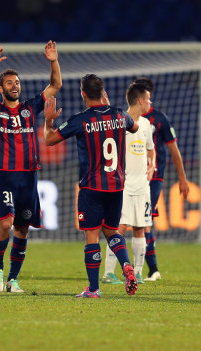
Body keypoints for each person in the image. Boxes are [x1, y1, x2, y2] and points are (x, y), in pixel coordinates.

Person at [0, 41, 62, 293]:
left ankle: (13, 280)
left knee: (22, 228)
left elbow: (55, 85)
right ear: (1, 88)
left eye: (17, 83)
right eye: (10, 83)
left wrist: (53, 61)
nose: (15, 86)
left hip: (29, 176)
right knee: (5, 224)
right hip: (3, 174)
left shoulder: (30, 108)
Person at [44, 74, 139, 298]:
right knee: (112, 231)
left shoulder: (80, 120)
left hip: (92, 187)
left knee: (92, 236)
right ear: (103, 92)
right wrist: (110, 109)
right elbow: (134, 127)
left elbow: (49, 140)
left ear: (83, 94)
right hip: (116, 186)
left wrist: (49, 120)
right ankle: (126, 266)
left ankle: (94, 289)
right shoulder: (119, 115)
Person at [132, 77, 189, 281]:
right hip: (131, 177)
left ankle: (151, 269)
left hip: (154, 177)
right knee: (128, 223)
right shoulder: (129, 118)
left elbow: (174, 149)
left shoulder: (159, 119)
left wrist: (183, 179)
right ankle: (133, 268)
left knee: (144, 222)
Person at [102, 83, 156, 285]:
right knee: (118, 228)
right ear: (140, 100)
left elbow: (150, 149)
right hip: (122, 185)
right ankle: (109, 273)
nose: (150, 102)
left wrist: (152, 164)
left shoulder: (146, 125)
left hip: (142, 185)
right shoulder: (119, 122)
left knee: (140, 227)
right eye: (148, 99)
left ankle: (139, 272)